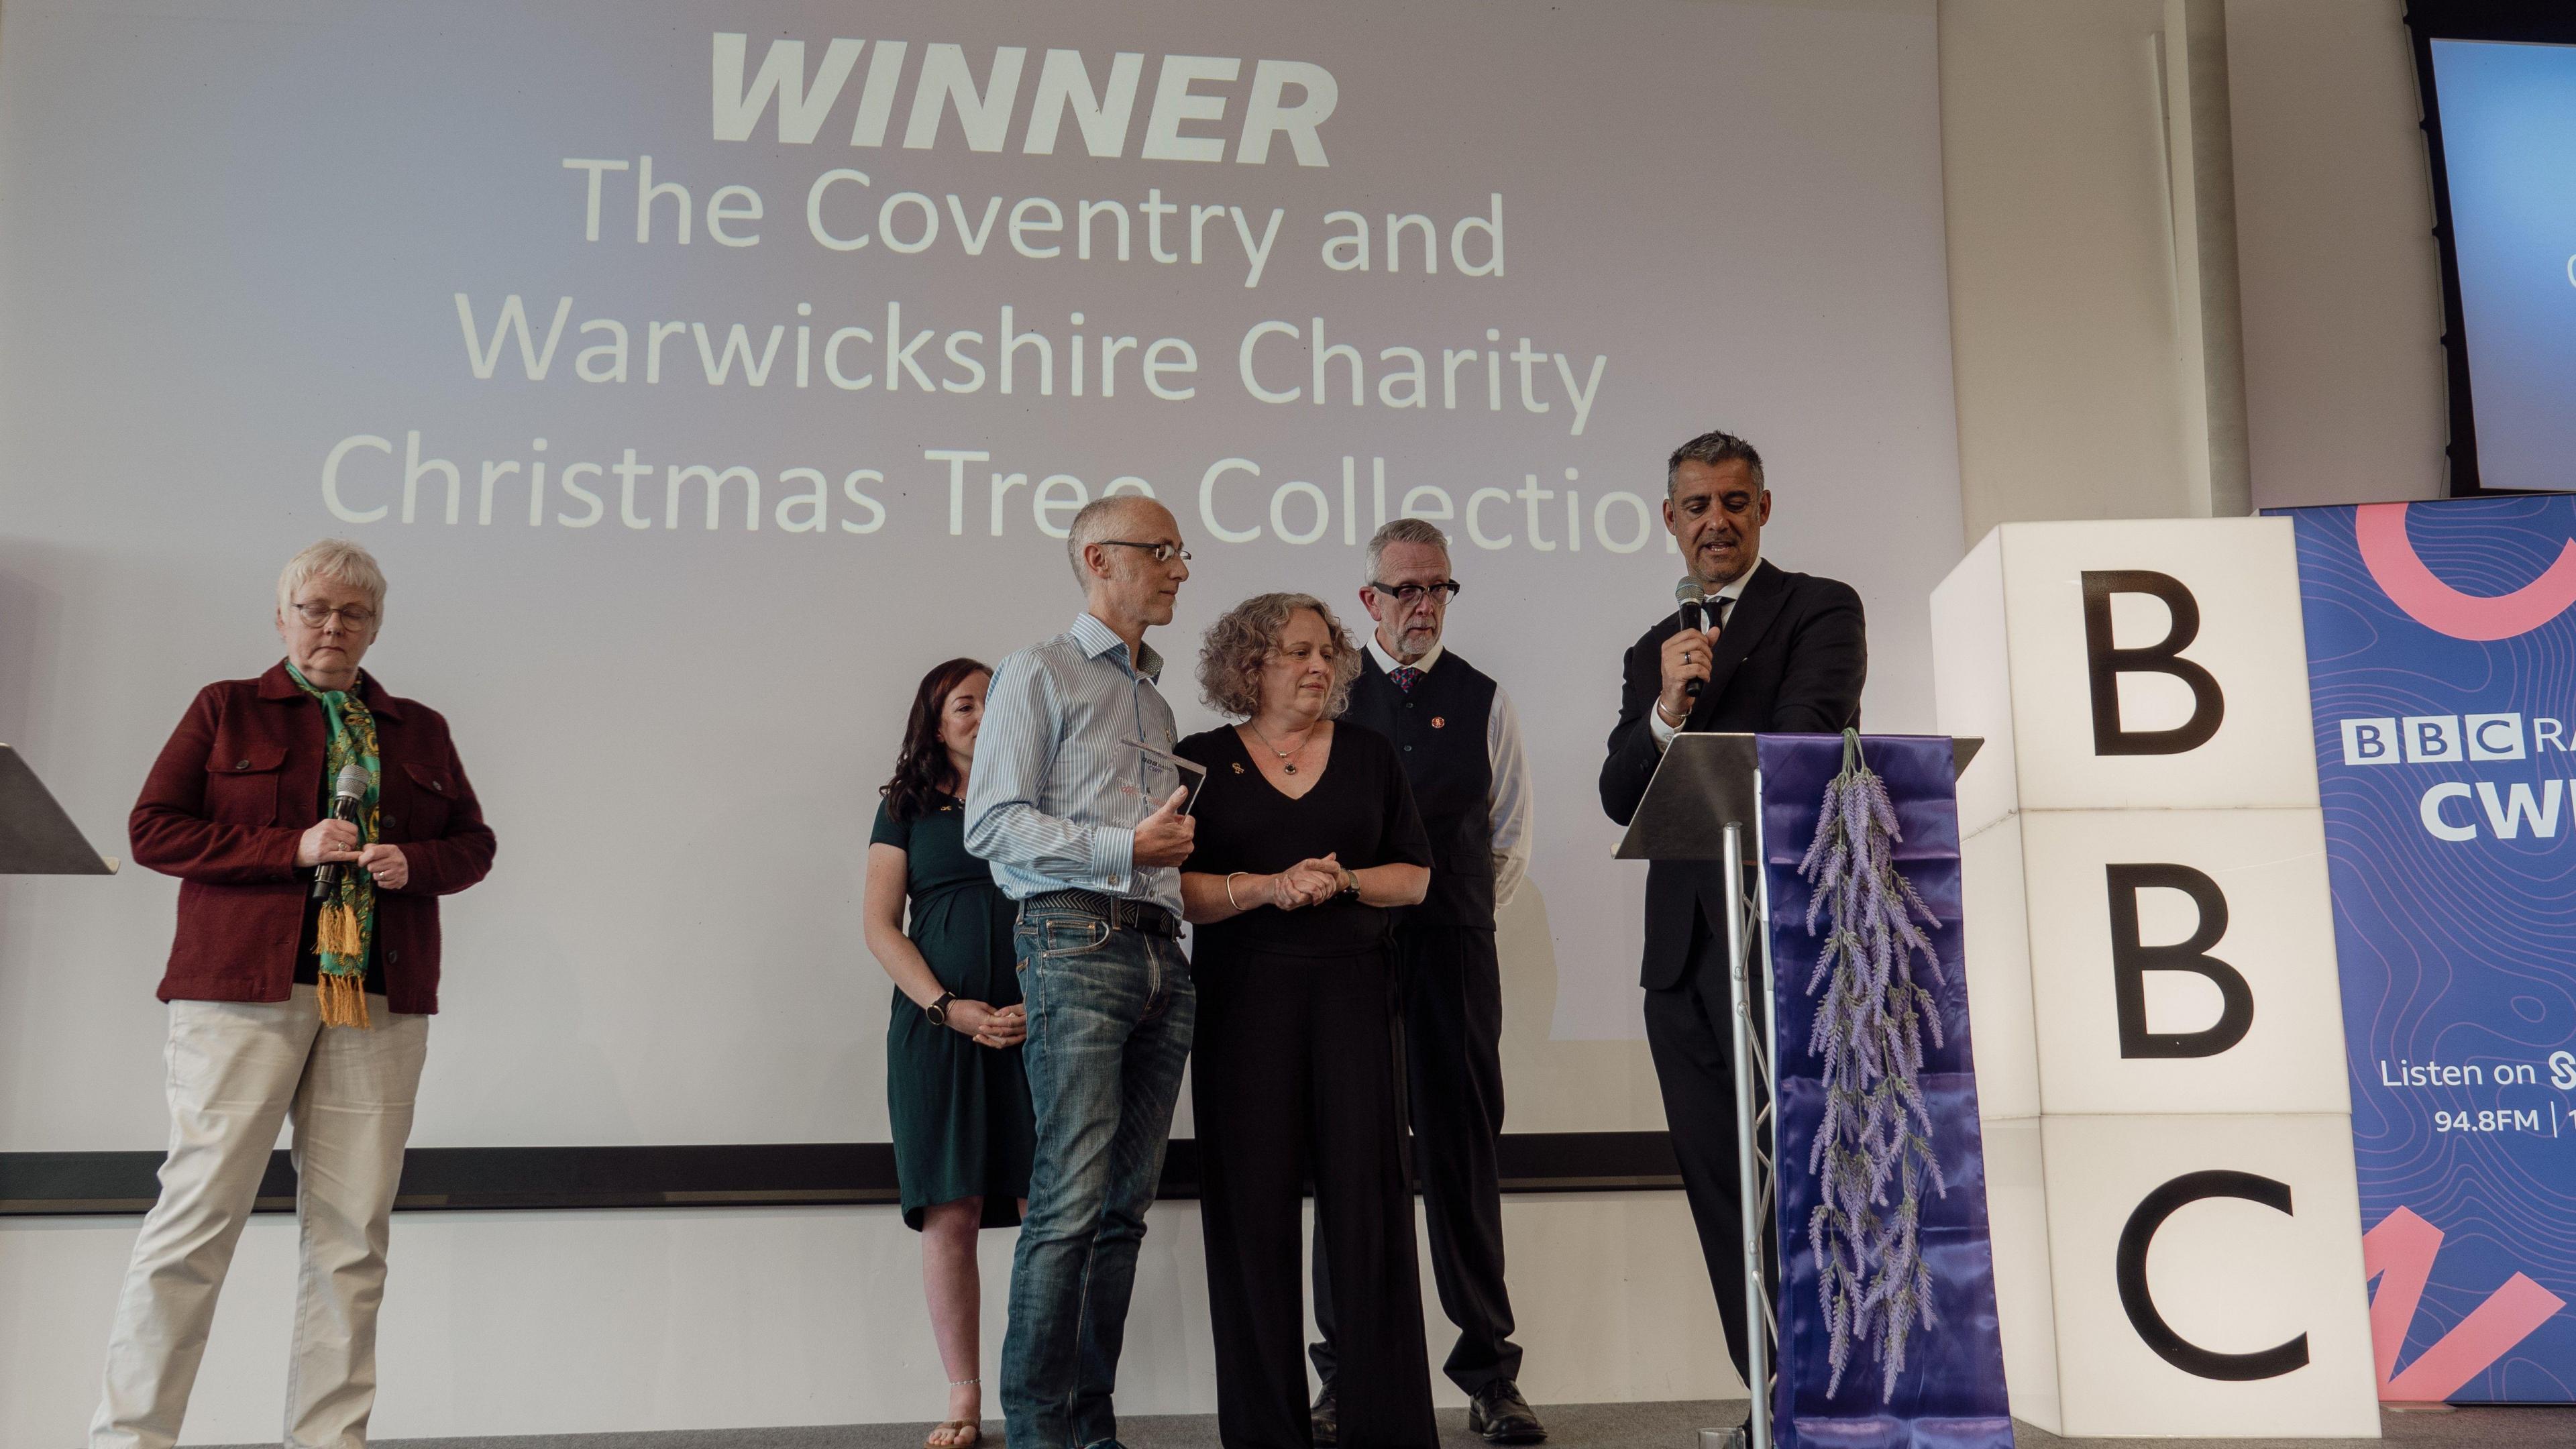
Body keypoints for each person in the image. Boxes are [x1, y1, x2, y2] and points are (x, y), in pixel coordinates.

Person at [92, 539, 496, 1449]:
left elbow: (474, 844)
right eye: (314, 609)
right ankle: (128, 1440)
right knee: (195, 1223)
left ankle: (328, 1442)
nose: (332, 627)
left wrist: (414, 861)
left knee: (352, 1240)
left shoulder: (418, 729)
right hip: (241, 995)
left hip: (377, 1001)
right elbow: (154, 829)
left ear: (375, 627)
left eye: (353, 614)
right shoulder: (226, 710)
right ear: (282, 619)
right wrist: (291, 849)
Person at [1597, 430, 1865, 1390]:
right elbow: (1621, 793)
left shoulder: (1819, 608)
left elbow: (1803, 737)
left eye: (1734, 503)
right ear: (1670, 520)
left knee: (1806, 1177)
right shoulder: (1652, 653)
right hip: (1681, 960)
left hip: (1787, 935)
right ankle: (1772, 1390)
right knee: (1723, 1190)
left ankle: (1836, 1384)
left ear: (1763, 509)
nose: (1716, 521)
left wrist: (1699, 720)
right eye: (1697, 506)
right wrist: (1667, 709)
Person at [963, 494, 1199, 1449]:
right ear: (1101, 559)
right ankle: (1038, 1434)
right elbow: (991, 823)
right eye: (1165, 552)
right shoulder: (1038, 672)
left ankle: (1091, 1427)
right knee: (1066, 1202)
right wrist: (1123, 843)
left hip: (1159, 952)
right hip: (1074, 941)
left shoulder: (1157, 697)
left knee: (1123, 1214)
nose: (1182, 569)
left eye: (1184, 554)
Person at [1176, 593, 1436, 1449]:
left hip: (1356, 999)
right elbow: (1174, 890)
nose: (1319, 666)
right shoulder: (1200, 762)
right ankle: (1263, 1434)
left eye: (1327, 652)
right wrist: (1264, 886)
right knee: (1251, 1222)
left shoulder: (1368, 754)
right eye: (1296, 653)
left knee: (1371, 1214)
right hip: (1244, 1006)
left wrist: (1343, 880)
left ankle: (1390, 1429)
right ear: (1250, 666)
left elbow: (1416, 877)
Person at [1309, 519, 1543, 1446]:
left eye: (1438, 588)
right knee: (1349, 1164)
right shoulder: (1326, 692)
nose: (1422, 605)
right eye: (1404, 589)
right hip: (1350, 963)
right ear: (1368, 600)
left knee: (1462, 1160)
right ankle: (1344, 1380)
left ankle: (1491, 1377)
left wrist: (1448, 913)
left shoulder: (1484, 697)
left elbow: (1508, 843)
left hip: (1452, 957)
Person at [865, 657, 1038, 1449]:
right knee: (953, 1211)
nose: (982, 713)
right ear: (935, 723)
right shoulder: (905, 807)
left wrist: (1047, 1001)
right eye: (965, 705)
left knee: (1053, 1213)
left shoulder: (1041, 790)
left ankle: (1044, 1391)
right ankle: (964, 1401)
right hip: (938, 1032)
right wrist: (948, 1008)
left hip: (1043, 1021)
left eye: (994, 700)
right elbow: (879, 925)